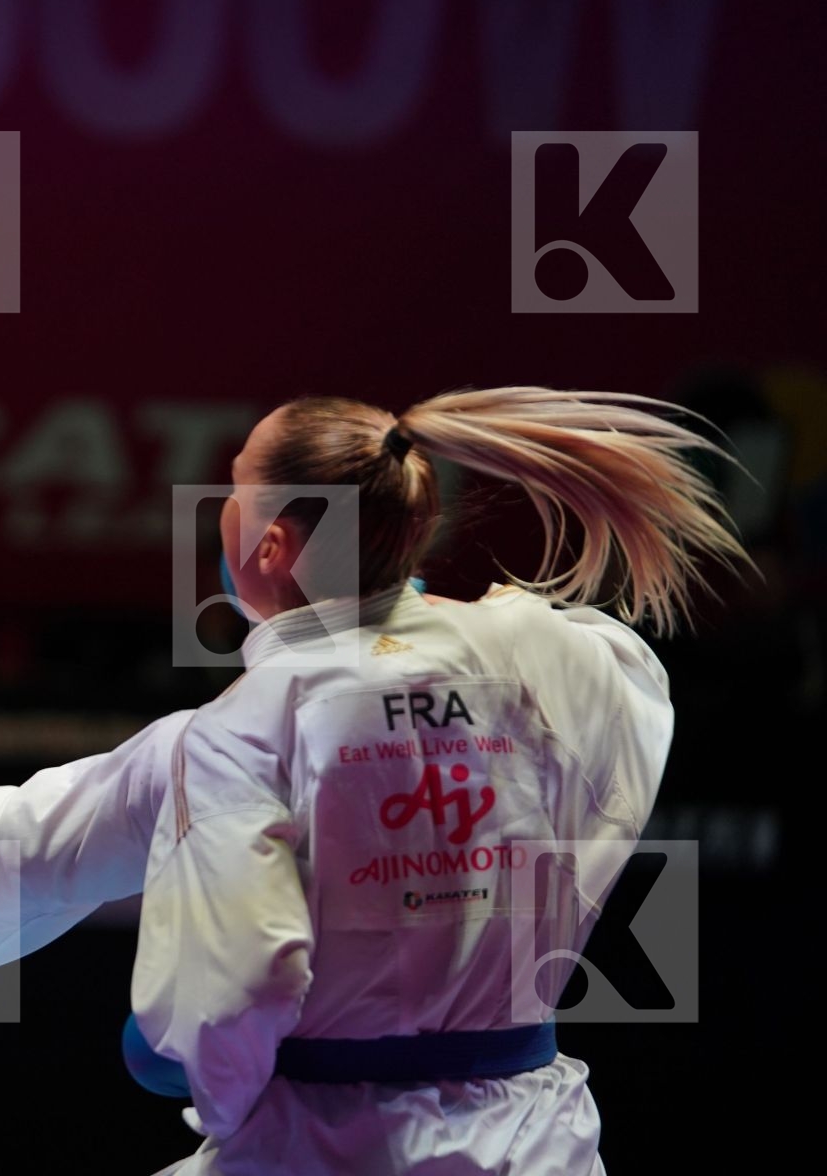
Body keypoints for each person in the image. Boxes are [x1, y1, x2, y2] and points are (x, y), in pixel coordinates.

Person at [124, 388, 750, 1174]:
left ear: (271, 545)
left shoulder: (242, 726)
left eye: (233, 483)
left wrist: (187, 1045)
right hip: (539, 1142)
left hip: (321, 1145)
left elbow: (242, 986)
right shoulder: (563, 655)